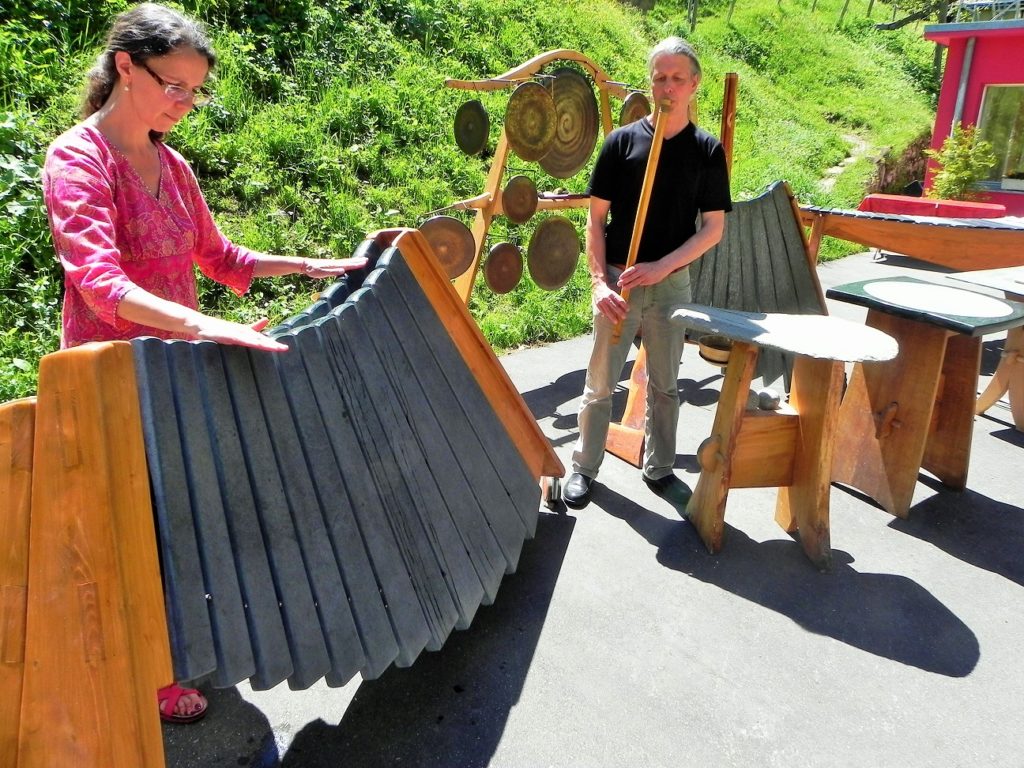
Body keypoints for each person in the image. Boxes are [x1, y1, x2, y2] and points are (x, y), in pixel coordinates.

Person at [41, 3, 367, 721]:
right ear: (125, 66)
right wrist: (207, 326)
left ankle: (184, 640)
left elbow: (221, 258)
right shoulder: (77, 160)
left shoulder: (172, 162)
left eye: (195, 91)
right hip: (111, 379)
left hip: (179, 378)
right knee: (131, 529)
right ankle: (148, 670)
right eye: (173, 86)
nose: (184, 104)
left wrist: (313, 265)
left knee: (182, 518)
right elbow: (100, 283)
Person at [563, 37, 732, 510]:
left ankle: (658, 468)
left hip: (671, 284)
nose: (668, 87)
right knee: (600, 384)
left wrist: (662, 266)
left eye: (678, 78)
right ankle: (584, 467)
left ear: (694, 85)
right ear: (650, 82)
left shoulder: (706, 151)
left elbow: (713, 229)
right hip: (619, 281)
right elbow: (595, 221)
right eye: (660, 77)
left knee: (665, 385)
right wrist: (598, 282)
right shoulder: (621, 144)